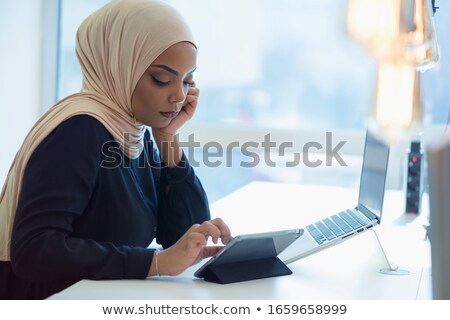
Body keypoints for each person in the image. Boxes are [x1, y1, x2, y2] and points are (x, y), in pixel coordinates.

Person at [0, 0, 231, 299]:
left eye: (187, 80)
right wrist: (155, 262)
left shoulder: (132, 129)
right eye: (161, 79)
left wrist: (167, 137)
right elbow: (34, 251)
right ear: (119, 66)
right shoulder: (79, 130)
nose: (179, 96)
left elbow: (182, 239)